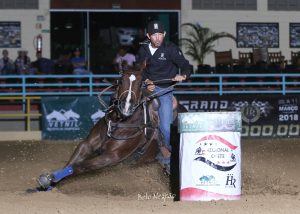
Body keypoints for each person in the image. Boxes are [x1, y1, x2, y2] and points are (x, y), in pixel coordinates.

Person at [136, 20, 192, 173]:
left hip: (164, 90)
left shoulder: (171, 49)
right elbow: (139, 70)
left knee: (166, 127)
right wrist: (147, 81)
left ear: (164, 34)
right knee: (125, 101)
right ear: (148, 36)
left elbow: (186, 65)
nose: (158, 38)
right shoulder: (143, 50)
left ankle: (170, 155)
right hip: (144, 86)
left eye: (160, 34)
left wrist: (184, 75)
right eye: (154, 35)